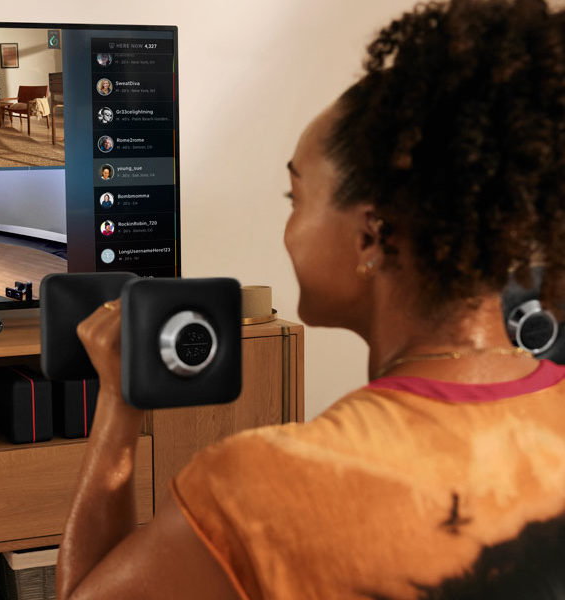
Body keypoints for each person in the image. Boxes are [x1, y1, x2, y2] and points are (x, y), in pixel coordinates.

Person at [56, 1, 565, 598]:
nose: (289, 228)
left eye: (295, 197)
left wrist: (119, 401)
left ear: (370, 235)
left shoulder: (264, 483)